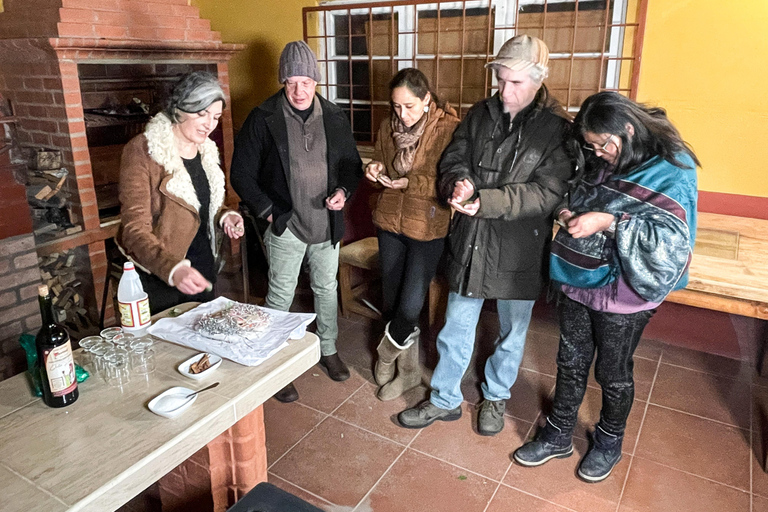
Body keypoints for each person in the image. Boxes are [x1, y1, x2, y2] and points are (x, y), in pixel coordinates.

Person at [513, 91, 699, 483]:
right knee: (571, 360)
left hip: (627, 293)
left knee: (613, 373)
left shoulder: (673, 170)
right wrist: (567, 212)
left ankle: (609, 440)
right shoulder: (602, 158)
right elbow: (573, 193)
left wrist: (608, 222)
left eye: (602, 144)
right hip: (581, 279)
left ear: (627, 130)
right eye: (591, 146)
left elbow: (672, 245)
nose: (598, 153)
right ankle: (559, 432)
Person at [397, 35, 572, 435]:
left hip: (521, 246)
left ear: (539, 79)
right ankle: (444, 399)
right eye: (501, 81)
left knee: (512, 332)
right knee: (456, 325)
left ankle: (495, 397)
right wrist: (457, 183)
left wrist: (487, 202)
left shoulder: (557, 128)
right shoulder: (481, 114)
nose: (505, 92)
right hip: (472, 240)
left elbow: (547, 191)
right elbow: (454, 157)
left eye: (516, 83)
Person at [230, 41, 363, 403]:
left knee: (325, 288)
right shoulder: (263, 117)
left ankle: (328, 348)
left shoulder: (335, 116)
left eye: (305, 81)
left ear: (316, 82)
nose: (299, 90)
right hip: (286, 223)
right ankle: (276, 364)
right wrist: (270, 211)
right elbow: (241, 174)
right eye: (291, 82)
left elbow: (352, 165)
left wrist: (343, 191)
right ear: (282, 82)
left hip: (326, 222)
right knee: (280, 294)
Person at [365, 68, 460, 401]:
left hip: (428, 225)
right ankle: (407, 374)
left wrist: (411, 183)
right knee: (391, 302)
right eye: (395, 107)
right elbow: (380, 158)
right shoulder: (386, 126)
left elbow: (451, 182)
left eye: (408, 106)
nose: (401, 115)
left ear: (426, 100)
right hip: (390, 220)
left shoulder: (448, 130)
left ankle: (386, 353)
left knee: (409, 306)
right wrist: (375, 168)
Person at [117, 71, 244, 313]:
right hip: (161, 275)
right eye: (201, 113)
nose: (210, 124)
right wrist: (173, 268)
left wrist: (224, 215)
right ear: (179, 109)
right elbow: (133, 230)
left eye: (216, 116)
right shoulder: (143, 151)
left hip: (202, 271)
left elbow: (199, 204)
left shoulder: (206, 150)